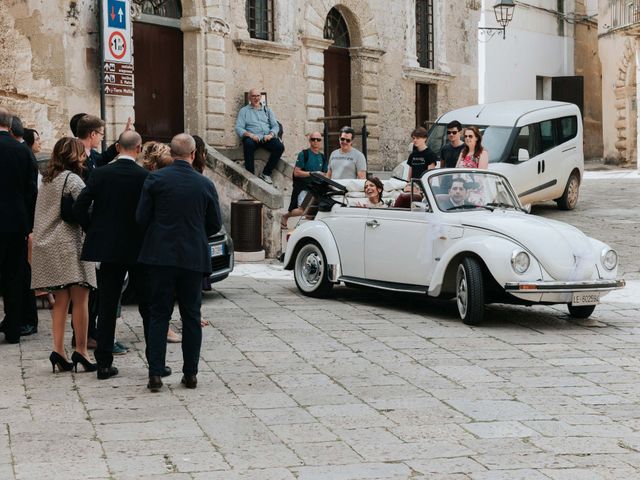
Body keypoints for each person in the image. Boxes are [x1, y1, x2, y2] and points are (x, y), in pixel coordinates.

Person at [137, 133, 222, 391]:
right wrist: (195, 233)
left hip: (160, 255)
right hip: (192, 256)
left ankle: (154, 373)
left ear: (172, 154)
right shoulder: (204, 184)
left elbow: (141, 217)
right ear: (193, 154)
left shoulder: (155, 179)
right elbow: (215, 223)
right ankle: (191, 374)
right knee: (191, 315)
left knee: (158, 313)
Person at [31, 137, 97, 372]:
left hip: (47, 244)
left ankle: (58, 350)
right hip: (69, 245)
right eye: (81, 153)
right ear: (74, 156)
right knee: (81, 299)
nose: (84, 157)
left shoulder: (48, 179)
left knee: (61, 300)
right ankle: (82, 351)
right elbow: (87, 206)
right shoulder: (72, 179)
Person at [138, 140, 183, 343]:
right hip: (156, 244)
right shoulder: (153, 181)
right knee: (157, 296)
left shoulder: (151, 179)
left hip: (149, 244)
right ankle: (161, 331)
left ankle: (158, 330)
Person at [0, 107, 37, 344]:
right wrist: (29, 224)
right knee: (14, 274)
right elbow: (31, 190)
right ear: (9, 124)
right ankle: (13, 328)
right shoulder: (22, 151)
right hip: (15, 223)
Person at [235, 88, 284, 185]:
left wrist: (271, 135)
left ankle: (266, 173)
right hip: (253, 138)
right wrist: (250, 135)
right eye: (253, 96)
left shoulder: (267, 110)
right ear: (249, 97)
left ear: (260, 97)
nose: (256, 98)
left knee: (279, 147)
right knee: (248, 144)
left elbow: (275, 125)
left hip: (266, 137)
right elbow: (239, 128)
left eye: (258, 96)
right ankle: (250, 174)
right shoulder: (244, 111)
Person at [280, 131, 327, 228]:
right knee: (303, 210)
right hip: (304, 187)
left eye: (318, 139)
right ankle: (285, 216)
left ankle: (306, 229)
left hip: (316, 189)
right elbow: (296, 173)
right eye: (313, 139)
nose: (316, 141)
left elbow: (325, 174)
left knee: (314, 211)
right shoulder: (304, 154)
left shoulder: (322, 157)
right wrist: (311, 173)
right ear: (310, 141)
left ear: (321, 141)